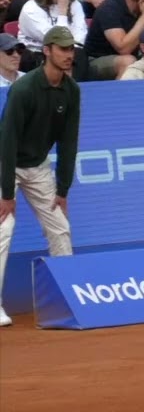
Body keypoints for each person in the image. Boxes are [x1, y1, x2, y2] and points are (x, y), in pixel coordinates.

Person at [0, 26, 81, 328]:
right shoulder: (23, 90)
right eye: (62, 49)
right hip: (4, 162)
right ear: (47, 51)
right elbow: (6, 142)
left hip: (38, 167)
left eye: (71, 49)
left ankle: (70, 295)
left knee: (60, 228)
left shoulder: (72, 91)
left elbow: (69, 142)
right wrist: (7, 193)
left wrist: (63, 190)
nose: (68, 55)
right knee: (3, 229)